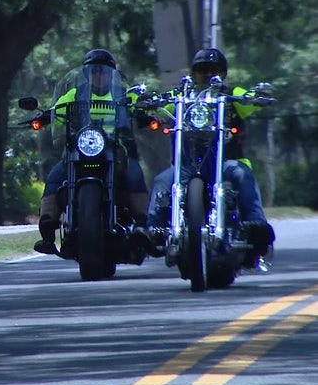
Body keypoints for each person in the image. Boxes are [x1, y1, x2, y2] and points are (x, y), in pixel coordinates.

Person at [145, 47, 275, 267]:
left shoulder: (231, 94)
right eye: (201, 71)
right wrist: (149, 104)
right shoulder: (181, 97)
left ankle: (256, 226)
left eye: (213, 71)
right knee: (162, 181)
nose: (207, 75)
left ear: (223, 74)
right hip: (187, 167)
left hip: (225, 163)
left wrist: (256, 97)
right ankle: (152, 232)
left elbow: (248, 98)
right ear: (194, 74)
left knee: (243, 175)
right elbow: (159, 107)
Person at [33, 49, 151, 256]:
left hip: (115, 148)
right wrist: (46, 116)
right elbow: (58, 109)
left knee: (134, 173)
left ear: (111, 73)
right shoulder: (75, 94)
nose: (99, 74)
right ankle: (48, 232)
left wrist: (142, 110)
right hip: (80, 148)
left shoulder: (123, 93)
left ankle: (142, 225)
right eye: (94, 71)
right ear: (87, 73)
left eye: (103, 71)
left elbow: (137, 105)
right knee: (55, 178)